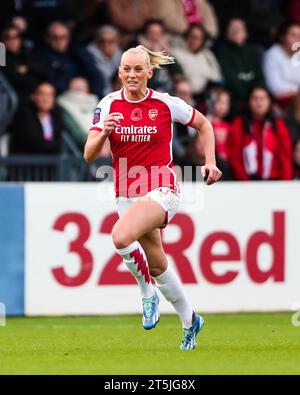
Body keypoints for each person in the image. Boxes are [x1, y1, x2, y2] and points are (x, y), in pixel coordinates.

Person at [84, 45, 222, 350]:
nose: (132, 75)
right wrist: (103, 133)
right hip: (125, 193)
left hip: (162, 188)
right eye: (126, 69)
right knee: (158, 263)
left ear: (150, 72)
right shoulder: (107, 105)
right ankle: (190, 320)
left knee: (120, 237)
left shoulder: (165, 104)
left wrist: (210, 161)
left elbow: (204, 124)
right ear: (119, 72)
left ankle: (147, 292)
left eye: (138, 69)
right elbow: (88, 153)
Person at [227, 85, 293, 181]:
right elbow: (234, 156)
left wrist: (286, 184)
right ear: (248, 101)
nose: (259, 102)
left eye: (263, 98)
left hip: (275, 181)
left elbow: (285, 157)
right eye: (255, 98)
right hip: (246, 182)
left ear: (269, 101)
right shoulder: (239, 124)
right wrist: (244, 182)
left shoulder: (278, 125)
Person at [216, 18, 265, 110]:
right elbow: (230, 80)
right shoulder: (222, 52)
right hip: (236, 99)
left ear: (246, 33)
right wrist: (249, 98)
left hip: (255, 97)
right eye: (232, 28)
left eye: (239, 28)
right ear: (226, 33)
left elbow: (260, 77)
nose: (236, 31)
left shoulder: (254, 51)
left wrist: (256, 96)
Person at [10, 82, 62, 155]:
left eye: (50, 95)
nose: (45, 99)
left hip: (50, 162)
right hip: (27, 162)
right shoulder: (24, 114)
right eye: (42, 94)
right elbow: (34, 141)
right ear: (34, 96)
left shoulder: (56, 115)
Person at [172, 24, 222, 99]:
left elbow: (216, 76)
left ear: (203, 41)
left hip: (202, 97)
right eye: (191, 36)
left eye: (198, 38)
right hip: (180, 96)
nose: (194, 40)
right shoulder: (176, 53)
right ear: (186, 37)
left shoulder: (207, 55)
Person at [263, 22, 300, 110]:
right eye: (293, 35)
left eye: (299, 36)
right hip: (279, 102)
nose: (297, 39)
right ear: (282, 37)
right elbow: (275, 87)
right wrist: (297, 92)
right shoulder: (272, 54)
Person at [86, 25, 122, 96]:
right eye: (102, 41)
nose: (106, 45)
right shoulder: (88, 58)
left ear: (117, 42)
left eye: (111, 41)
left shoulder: (121, 56)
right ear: (97, 42)